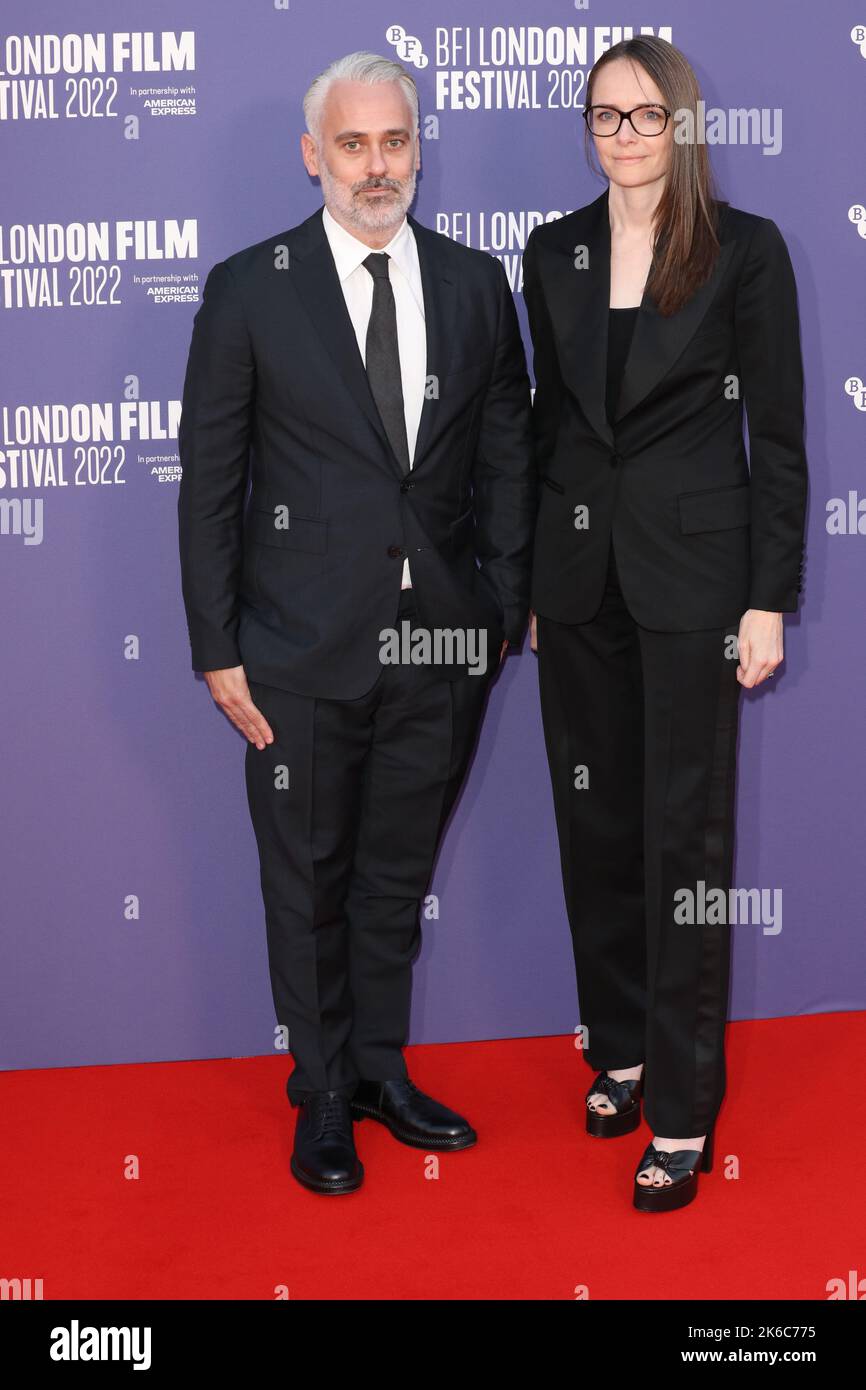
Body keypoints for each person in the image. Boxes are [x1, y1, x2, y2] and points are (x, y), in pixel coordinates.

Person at [177, 51, 535, 1195]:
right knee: (308, 881)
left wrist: (503, 604)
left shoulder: (476, 284)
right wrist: (216, 644)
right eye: (351, 144)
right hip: (293, 650)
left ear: (418, 149)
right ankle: (320, 1090)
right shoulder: (250, 287)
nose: (374, 166)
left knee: (391, 877)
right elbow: (210, 482)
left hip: (440, 646)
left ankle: (379, 1068)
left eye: (392, 142)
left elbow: (506, 456)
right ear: (311, 155)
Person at [523, 35, 807, 1212]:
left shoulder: (742, 252)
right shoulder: (553, 252)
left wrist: (765, 598)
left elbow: (778, 440)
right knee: (597, 833)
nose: (624, 135)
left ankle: (682, 1116)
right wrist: (535, 587)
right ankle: (620, 1051)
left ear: (681, 125)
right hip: (578, 587)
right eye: (604, 115)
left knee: (682, 848)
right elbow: (549, 429)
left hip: (695, 593)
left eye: (645, 116)